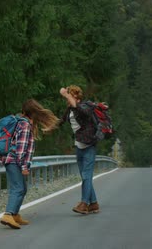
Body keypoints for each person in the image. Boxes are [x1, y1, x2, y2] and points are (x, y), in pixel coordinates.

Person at [0, 99, 59, 229]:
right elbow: (21, 148)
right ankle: (8, 214)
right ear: (34, 112)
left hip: (13, 160)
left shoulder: (23, 123)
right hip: (15, 161)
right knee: (18, 188)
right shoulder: (25, 125)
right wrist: (24, 166)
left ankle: (14, 214)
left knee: (22, 188)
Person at [60, 85, 100, 215]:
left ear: (77, 97)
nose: (68, 99)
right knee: (85, 176)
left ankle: (84, 204)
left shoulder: (86, 106)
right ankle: (93, 203)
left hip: (89, 146)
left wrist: (66, 94)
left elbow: (82, 111)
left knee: (86, 176)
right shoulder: (70, 109)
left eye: (71, 96)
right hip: (79, 146)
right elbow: (61, 121)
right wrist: (48, 127)